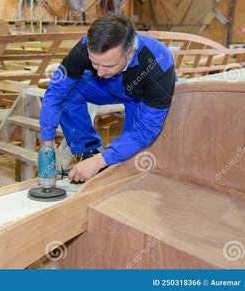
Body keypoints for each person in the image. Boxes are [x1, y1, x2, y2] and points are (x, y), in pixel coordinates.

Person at [40, 13, 176, 183]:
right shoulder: (85, 47)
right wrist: (47, 143)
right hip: (108, 87)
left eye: (108, 65)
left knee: (131, 160)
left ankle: (102, 162)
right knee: (68, 91)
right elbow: (55, 92)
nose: (100, 72)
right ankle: (88, 149)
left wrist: (99, 163)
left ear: (130, 52)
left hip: (139, 98)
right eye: (94, 64)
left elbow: (145, 131)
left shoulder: (158, 65)